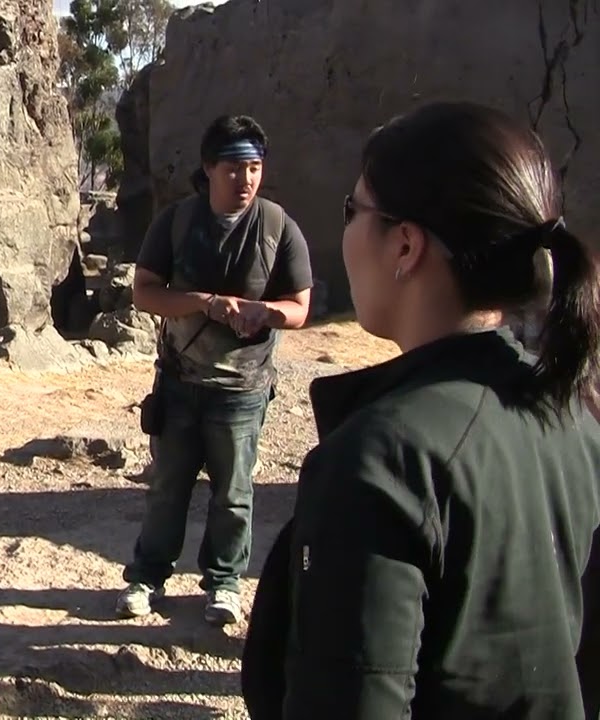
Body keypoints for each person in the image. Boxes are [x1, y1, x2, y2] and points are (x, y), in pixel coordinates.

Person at [240, 101, 600, 719]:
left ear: (405, 245)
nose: (346, 231)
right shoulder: (571, 414)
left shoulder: (380, 462)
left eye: (353, 211)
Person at [117, 114, 313, 625]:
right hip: (180, 383)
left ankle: (224, 584)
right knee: (167, 488)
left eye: (254, 167)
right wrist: (202, 302)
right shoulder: (177, 222)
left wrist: (265, 312)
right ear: (208, 170)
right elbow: (144, 292)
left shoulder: (277, 226)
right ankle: (147, 577)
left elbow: (300, 306)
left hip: (243, 389)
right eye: (233, 168)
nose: (245, 179)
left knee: (234, 494)